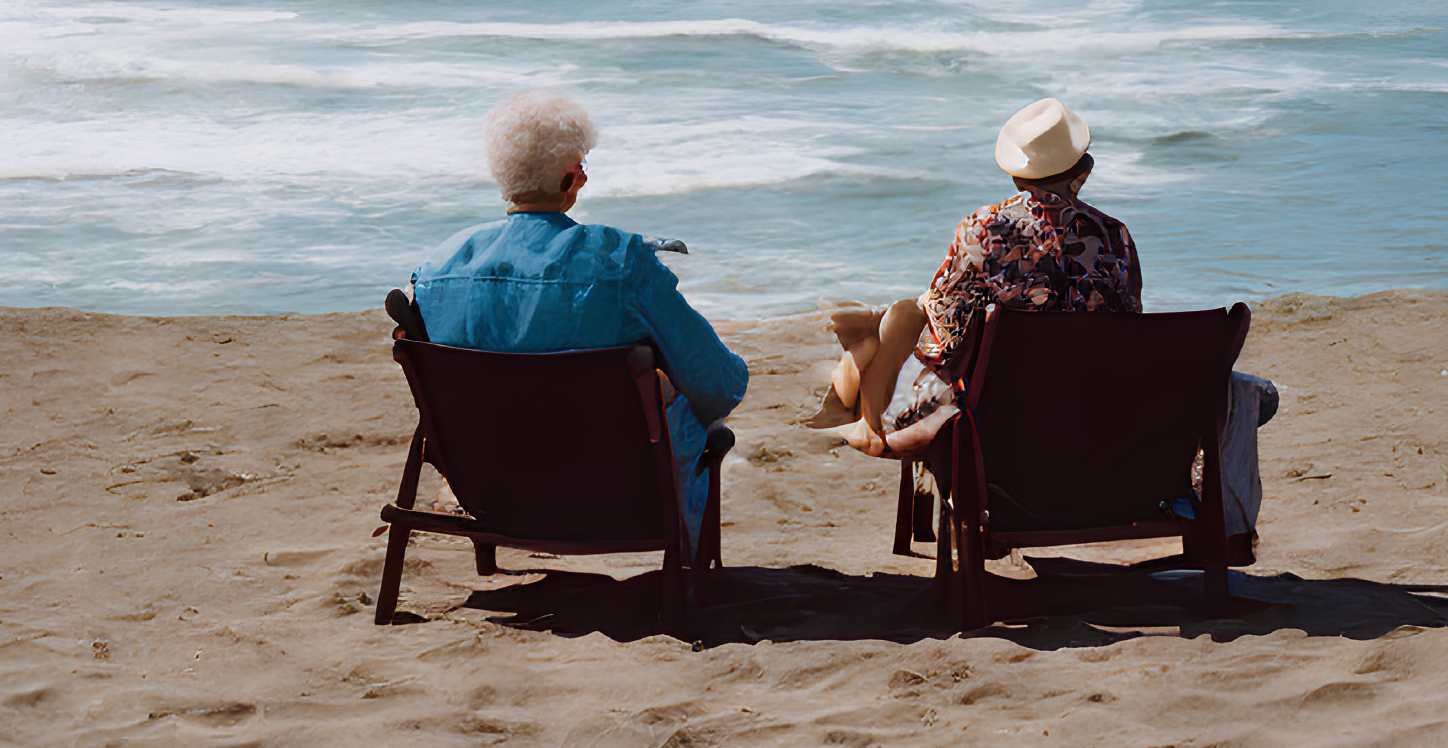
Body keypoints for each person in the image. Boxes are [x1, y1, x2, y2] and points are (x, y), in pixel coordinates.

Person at [812, 97, 1276, 548]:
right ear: (1084, 172)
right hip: (1103, 438)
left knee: (929, 384)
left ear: (1014, 175)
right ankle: (1223, 534)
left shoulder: (980, 231)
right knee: (1253, 392)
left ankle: (912, 462)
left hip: (1007, 448)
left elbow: (944, 344)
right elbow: (1127, 332)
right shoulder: (1114, 236)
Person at [411, 90, 745, 537]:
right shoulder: (620, 262)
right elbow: (720, 385)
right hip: (615, 500)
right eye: (581, 166)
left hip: (493, 493)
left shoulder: (436, 271)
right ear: (571, 178)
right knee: (679, 392)